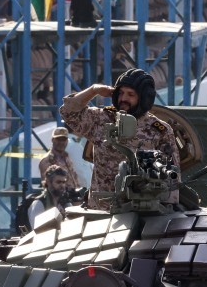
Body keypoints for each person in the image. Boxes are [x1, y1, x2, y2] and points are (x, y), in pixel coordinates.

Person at [59, 68, 178, 207]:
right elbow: (68, 112)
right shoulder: (101, 118)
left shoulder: (159, 130)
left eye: (130, 94)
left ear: (143, 98)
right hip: (101, 210)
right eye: (120, 93)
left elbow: (172, 176)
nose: (123, 99)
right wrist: (93, 90)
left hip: (140, 211)